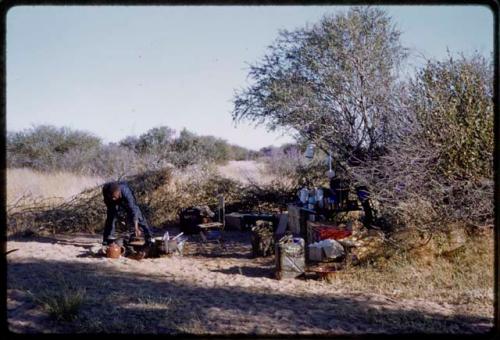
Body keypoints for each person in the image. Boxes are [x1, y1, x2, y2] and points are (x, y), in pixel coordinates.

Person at [102, 181, 153, 246]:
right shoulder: (106, 191)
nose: (113, 199)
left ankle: (149, 237)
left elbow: (133, 209)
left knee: (138, 215)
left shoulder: (126, 192)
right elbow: (110, 203)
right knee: (111, 216)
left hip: (125, 198)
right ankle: (107, 239)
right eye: (112, 197)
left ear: (118, 193)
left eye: (114, 197)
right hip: (110, 198)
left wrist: (136, 228)